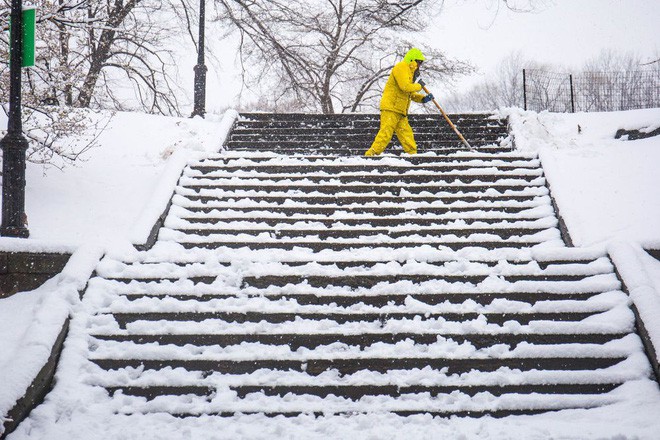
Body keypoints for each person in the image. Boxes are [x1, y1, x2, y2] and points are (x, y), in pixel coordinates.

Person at [364, 47, 434, 156]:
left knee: (407, 135)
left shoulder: (410, 74)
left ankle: (413, 155)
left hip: (401, 110)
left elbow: (409, 93)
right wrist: (419, 86)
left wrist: (423, 99)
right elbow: (405, 87)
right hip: (391, 107)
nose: (420, 65)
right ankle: (370, 155)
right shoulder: (401, 67)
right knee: (385, 134)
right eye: (419, 62)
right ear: (413, 60)